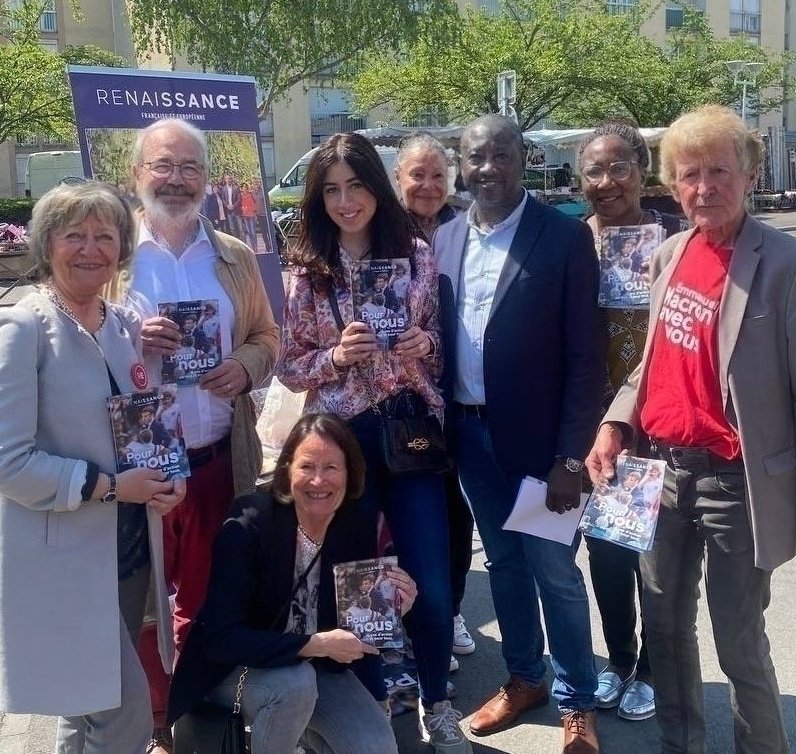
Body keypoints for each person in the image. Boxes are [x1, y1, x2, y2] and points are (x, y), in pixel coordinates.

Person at [586, 104, 794, 754]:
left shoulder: (784, 264)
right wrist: (616, 422)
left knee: (738, 643)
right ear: (672, 185)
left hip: (736, 484)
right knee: (666, 630)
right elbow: (654, 360)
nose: (703, 188)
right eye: (689, 174)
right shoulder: (669, 253)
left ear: (749, 175)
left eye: (718, 172)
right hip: (661, 474)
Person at [277, 132, 472, 754]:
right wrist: (335, 356)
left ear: (375, 188)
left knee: (431, 581)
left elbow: (441, 349)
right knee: (355, 578)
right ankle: (368, 694)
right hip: (342, 440)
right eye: (331, 190)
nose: (344, 201)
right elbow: (290, 366)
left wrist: (423, 346)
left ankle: (437, 701)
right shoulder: (309, 271)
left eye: (355, 185)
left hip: (409, 429)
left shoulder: (415, 254)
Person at [434, 114, 604, 752]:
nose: (489, 169)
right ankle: (524, 677)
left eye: (502, 155)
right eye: (477, 157)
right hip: (472, 440)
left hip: (542, 452)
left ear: (521, 157)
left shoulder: (560, 238)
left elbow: (586, 358)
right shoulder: (447, 240)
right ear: (462, 161)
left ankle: (577, 700)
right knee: (503, 565)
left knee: (553, 568)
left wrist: (570, 456)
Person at [0, 182, 186, 754]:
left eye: (104, 236)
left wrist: (164, 478)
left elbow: (136, 426)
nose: (90, 249)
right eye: (73, 235)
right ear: (46, 244)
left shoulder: (120, 322)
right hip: (65, 558)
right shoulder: (23, 327)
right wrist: (110, 488)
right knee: (123, 719)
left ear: (122, 248)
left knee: (85, 710)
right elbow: (9, 463)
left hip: (125, 553)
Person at [125, 117, 280, 754]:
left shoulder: (234, 257)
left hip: (218, 459)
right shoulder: (113, 255)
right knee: (139, 602)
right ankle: (151, 719)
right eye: (164, 165)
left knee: (205, 596)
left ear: (208, 179)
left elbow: (268, 339)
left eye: (191, 167)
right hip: (139, 463)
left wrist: (244, 367)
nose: (178, 179)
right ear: (137, 175)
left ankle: (190, 714)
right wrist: (128, 340)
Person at [168, 414, 414, 753]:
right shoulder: (248, 523)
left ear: (350, 472)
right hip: (235, 668)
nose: (318, 480)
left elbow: (353, 633)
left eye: (331, 467)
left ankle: (301, 732)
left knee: (376, 748)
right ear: (287, 470)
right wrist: (313, 644)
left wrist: (392, 605)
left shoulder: (354, 519)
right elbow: (221, 639)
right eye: (306, 467)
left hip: (314, 667)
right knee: (294, 687)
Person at [576, 120, 690, 723]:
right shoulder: (574, 241)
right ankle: (618, 660)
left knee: (657, 559)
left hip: (661, 421)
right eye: (594, 170)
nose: (607, 181)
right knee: (608, 553)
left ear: (643, 172)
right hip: (597, 430)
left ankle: (651, 667)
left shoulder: (675, 238)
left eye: (620, 166)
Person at [394, 132, 477, 662]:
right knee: (403, 514)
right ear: (399, 179)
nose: (428, 185)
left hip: (461, 391)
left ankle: (449, 611)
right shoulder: (382, 231)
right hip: (404, 396)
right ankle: (403, 618)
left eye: (437, 175)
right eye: (417, 175)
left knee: (455, 513)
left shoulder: (466, 228)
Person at [239, 181, 259, 250]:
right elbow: (240, 205)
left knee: (253, 232)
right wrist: (242, 208)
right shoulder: (240, 196)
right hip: (245, 216)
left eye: (245, 187)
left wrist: (252, 211)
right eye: (243, 187)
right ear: (242, 188)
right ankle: (252, 245)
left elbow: (254, 204)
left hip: (251, 215)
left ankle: (255, 247)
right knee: (249, 232)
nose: (244, 188)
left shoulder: (250, 195)